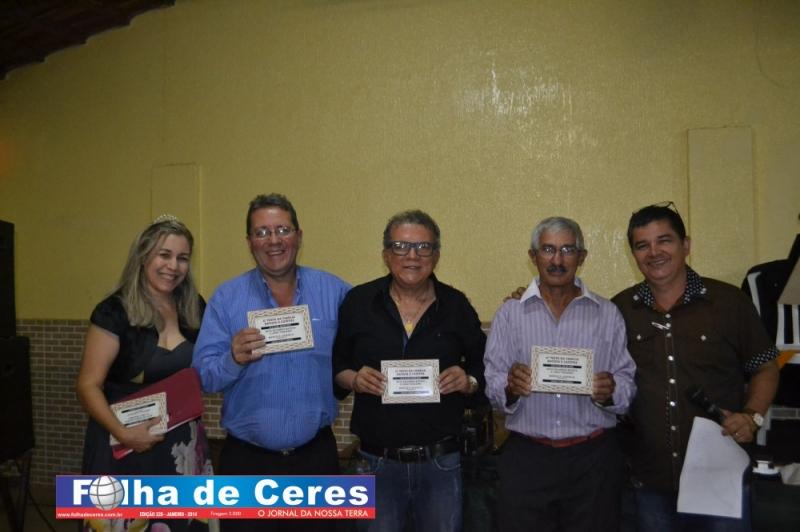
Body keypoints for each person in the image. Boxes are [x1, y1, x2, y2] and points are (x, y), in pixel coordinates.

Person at [611, 202, 780, 531]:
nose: (654, 252)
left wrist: (752, 416)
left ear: (686, 245)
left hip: (720, 478)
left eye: (664, 240)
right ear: (634, 255)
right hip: (650, 480)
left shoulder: (729, 303)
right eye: (642, 245)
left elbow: (766, 368)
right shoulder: (619, 310)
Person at [192, 193, 350, 532]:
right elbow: (203, 377)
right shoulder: (226, 298)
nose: (273, 240)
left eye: (282, 230)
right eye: (262, 232)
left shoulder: (335, 292)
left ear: (299, 236)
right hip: (246, 464)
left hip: (316, 461)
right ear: (249, 242)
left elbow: (367, 337)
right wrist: (232, 359)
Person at [332, 209, 486, 532]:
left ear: (436, 255)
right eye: (401, 246)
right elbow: (338, 368)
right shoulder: (358, 302)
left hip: (441, 464)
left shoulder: (456, 306)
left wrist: (468, 380)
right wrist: (355, 379)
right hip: (375, 464)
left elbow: (484, 366)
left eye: (423, 247)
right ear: (386, 255)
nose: (412, 256)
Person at [484, 216, 636, 532]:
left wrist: (611, 392)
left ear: (582, 257)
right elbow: (492, 384)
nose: (557, 260)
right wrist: (510, 387)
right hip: (528, 458)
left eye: (567, 250)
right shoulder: (510, 314)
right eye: (548, 249)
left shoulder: (607, 314)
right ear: (533, 256)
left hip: (593, 460)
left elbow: (627, 385)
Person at [76, 215, 214, 532]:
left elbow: (208, 367)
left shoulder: (194, 307)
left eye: (182, 258)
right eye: (164, 255)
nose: (173, 266)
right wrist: (125, 435)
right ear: (143, 256)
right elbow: (87, 385)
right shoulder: (114, 310)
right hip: (123, 441)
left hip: (180, 445)